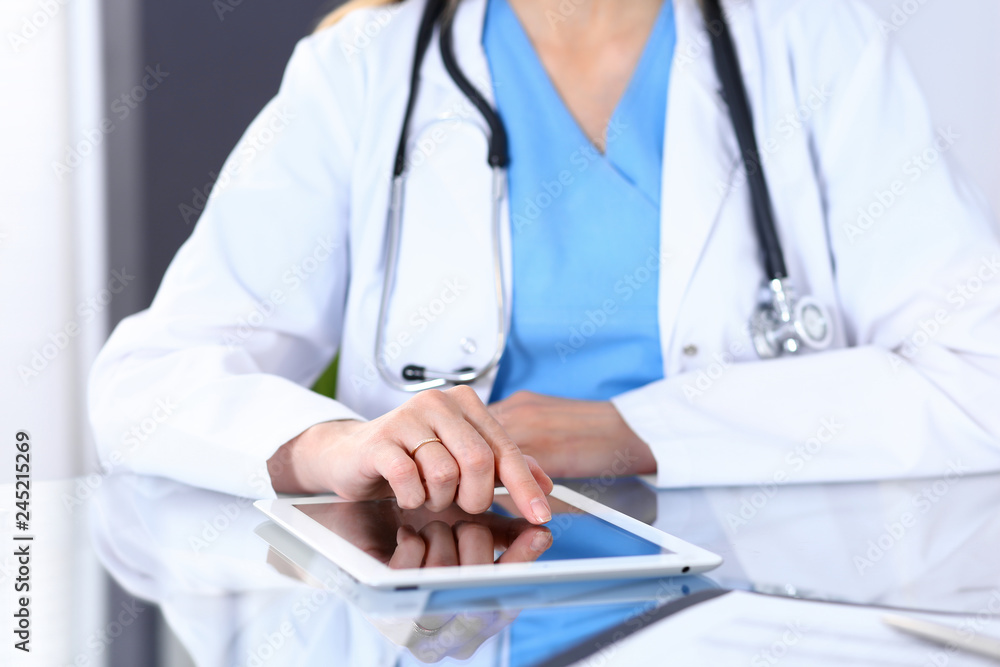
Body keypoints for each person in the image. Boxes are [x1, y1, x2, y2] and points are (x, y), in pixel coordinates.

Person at [89, 0, 1000, 516]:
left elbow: (981, 374)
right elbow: (145, 383)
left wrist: (628, 429)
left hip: (761, 607)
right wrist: (338, 447)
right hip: (448, 616)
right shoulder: (361, 72)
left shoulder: (816, 46)